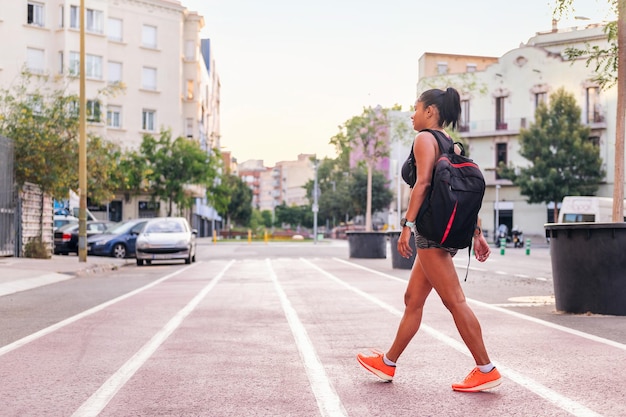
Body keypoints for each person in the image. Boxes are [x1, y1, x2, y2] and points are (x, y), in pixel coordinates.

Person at [357, 87, 501, 392]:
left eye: (416, 108)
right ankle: (388, 362)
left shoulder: (424, 139)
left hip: (430, 234)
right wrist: (477, 232)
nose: (412, 114)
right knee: (413, 300)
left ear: (431, 111)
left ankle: (485, 368)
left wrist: (407, 225)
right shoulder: (452, 145)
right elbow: (460, 193)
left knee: (455, 301)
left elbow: (421, 184)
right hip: (441, 233)